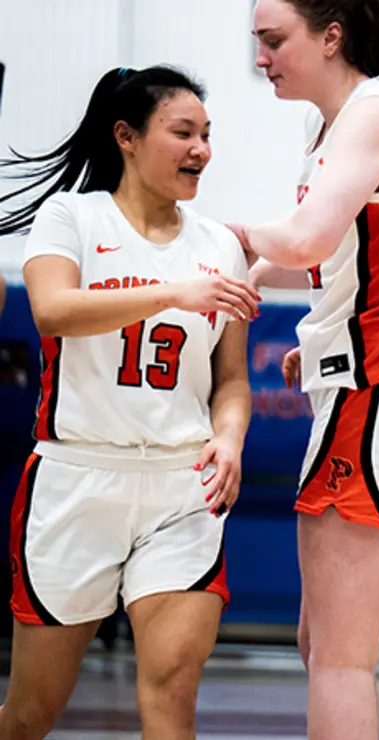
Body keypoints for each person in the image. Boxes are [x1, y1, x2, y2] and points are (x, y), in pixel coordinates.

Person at [0, 65, 256, 739]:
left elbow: (231, 380)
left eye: (207, 134)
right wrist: (172, 293)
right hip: (76, 477)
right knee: (30, 714)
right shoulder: (72, 217)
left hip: (181, 486)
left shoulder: (219, 245)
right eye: (182, 132)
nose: (201, 148)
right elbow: (52, 311)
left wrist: (228, 438)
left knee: (172, 689)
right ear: (127, 137)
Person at [239, 1, 379, 738]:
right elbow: (335, 259)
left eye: (275, 41)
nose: (262, 58)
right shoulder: (337, 122)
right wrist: (228, 273)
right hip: (367, 384)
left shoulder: (374, 113)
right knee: (323, 646)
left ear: (331, 35)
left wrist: (202, 230)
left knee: (340, 658)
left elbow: (307, 239)